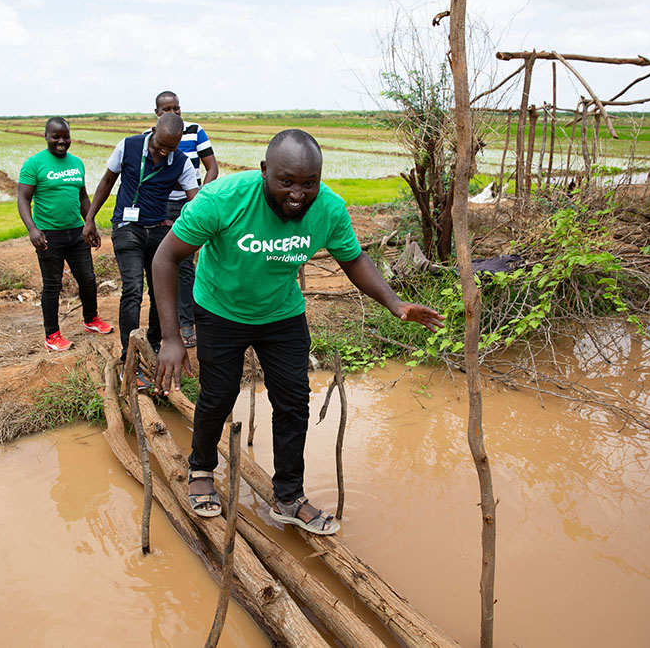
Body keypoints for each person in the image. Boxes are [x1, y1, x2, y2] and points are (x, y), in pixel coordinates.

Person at [152, 129, 443, 535]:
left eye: (309, 183)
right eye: (286, 181)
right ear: (264, 171)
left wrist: (394, 303)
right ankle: (201, 468)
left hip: (281, 313)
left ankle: (288, 497)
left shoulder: (329, 209)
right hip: (220, 308)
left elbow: (353, 259)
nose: (297, 194)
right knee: (218, 397)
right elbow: (166, 257)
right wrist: (170, 338)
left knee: (293, 402)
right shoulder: (222, 199)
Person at [83, 112, 199, 375]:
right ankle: (129, 358)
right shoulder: (128, 146)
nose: (163, 151)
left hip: (159, 229)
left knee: (161, 291)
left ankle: (156, 346)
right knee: (133, 289)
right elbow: (107, 181)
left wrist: (181, 224)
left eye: (171, 147)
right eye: (160, 144)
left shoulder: (181, 162)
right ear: (153, 131)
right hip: (127, 228)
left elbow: (195, 200)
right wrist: (89, 220)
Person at [17, 117, 114, 352]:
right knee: (52, 285)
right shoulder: (34, 164)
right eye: (56, 137)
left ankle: (91, 320)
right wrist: (32, 229)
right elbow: (23, 198)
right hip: (48, 234)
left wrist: (90, 224)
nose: (61, 141)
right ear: (46, 136)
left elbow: (82, 196)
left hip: (76, 232)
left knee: (88, 280)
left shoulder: (77, 163)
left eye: (65, 137)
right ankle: (52, 335)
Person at [146, 91, 220, 348]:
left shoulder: (195, 131)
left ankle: (187, 322)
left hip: (189, 203)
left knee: (186, 265)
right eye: (167, 109)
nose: (173, 113)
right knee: (160, 261)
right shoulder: (151, 136)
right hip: (161, 207)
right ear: (157, 113)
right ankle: (162, 326)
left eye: (176, 108)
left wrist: (199, 200)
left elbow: (212, 167)